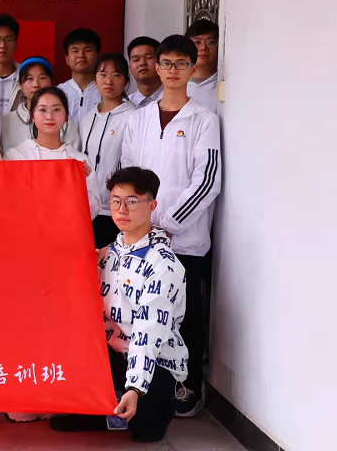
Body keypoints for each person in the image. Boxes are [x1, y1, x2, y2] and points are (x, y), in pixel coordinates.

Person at [121, 34, 221, 416]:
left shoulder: (204, 119)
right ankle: (145, 388)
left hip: (185, 240)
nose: (173, 70)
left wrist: (167, 222)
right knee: (142, 313)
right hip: (144, 237)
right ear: (157, 68)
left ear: (192, 68)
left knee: (185, 314)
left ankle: (188, 386)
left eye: (182, 63)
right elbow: (127, 173)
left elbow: (207, 180)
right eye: (167, 63)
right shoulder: (139, 119)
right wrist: (140, 220)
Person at [49, 167, 187, 443]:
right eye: (115, 201)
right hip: (111, 357)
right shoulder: (108, 254)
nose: (122, 210)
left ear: (152, 205)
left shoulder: (163, 264)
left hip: (154, 364)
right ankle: (102, 411)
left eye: (132, 201)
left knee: (145, 432)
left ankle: (126, 403)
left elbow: (148, 333)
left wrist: (135, 388)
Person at [5, 87, 100, 219]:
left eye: (56, 109)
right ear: (32, 116)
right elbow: (9, 202)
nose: (49, 116)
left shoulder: (79, 160)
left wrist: (81, 183)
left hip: (67, 229)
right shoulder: (16, 157)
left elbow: (91, 212)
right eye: (42, 110)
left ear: (66, 116)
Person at [80, 53, 137, 247]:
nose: (108, 81)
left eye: (116, 75)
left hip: (117, 210)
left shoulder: (134, 117)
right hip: (86, 208)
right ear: (95, 79)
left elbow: (133, 163)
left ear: (126, 81)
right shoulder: (87, 118)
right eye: (103, 74)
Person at [0, 57, 81, 154]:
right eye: (29, 79)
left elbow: (73, 154)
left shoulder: (64, 120)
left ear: (52, 82)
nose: (36, 84)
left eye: (42, 78)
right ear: (21, 85)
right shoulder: (6, 121)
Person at [58, 28, 102, 127]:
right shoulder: (58, 92)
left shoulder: (106, 91)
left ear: (97, 56)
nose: (81, 55)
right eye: (75, 51)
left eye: (88, 50)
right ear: (67, 59)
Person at [185, 19, 218, 112]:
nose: (203, 48)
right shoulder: (176, 83)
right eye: (197, 42)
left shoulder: (227, 84)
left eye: (211, 42)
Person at [127, 36, 163, 108]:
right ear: (130, 68)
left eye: (148, 57)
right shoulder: (125, 106)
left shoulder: (176, 100)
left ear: (161, 63)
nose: (142, 63)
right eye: (136, 60)